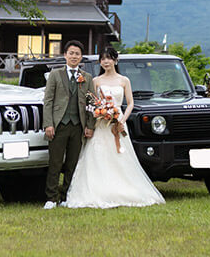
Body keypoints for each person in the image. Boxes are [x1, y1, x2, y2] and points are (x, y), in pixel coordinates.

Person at [65, 46, 165, 208]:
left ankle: (122, 189)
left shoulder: (124, 80)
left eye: (109, 58)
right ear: (100, 62)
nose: (106, 62)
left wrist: (122, 120)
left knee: (119, 155)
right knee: (99, 155)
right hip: (101, 123)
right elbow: (92, 103)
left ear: (115, 60)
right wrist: (100, 113)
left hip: (118, 121)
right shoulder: (96, 81)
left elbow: (130, 103)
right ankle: (100, 190)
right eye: (103, 59)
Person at [42, 40, 95, 209]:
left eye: (77, 54)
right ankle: (51, 198)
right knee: (55, 163)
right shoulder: (55, 74)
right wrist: (48, 124)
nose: (74, 56)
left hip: (78, 125)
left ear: (81, 57)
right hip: (59, 124)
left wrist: (90, 126)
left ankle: (66, 196)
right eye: (71, 53)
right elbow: (48, 101)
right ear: (65, 55)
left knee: (72, 163)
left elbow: (91, 103)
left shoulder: (87, 78)